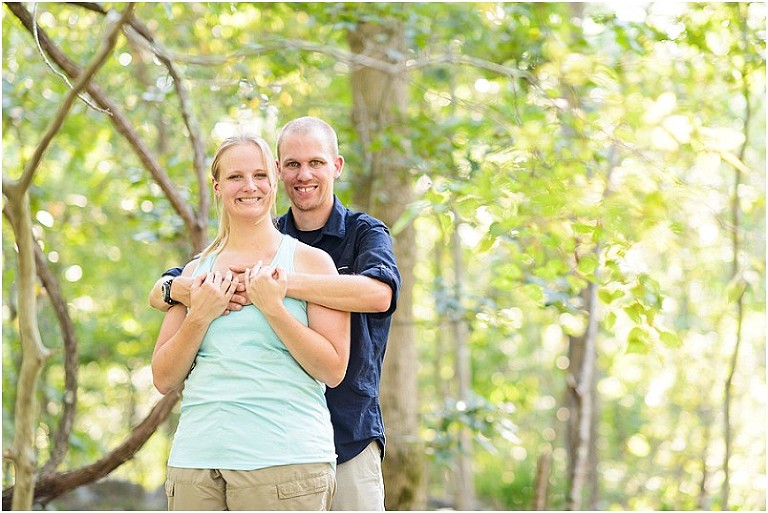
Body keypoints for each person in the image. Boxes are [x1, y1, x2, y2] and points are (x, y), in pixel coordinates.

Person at [149, 117, 401, 511]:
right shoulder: (217, 259)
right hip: (205, 454)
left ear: (336, 166)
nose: (304, 175)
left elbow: (379, 296)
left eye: (316, 163)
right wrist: (180, 293)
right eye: (293, 165)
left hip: (338, 431)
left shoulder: (361, 235)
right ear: (281, 174)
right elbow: (166, 304)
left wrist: (274, 292)